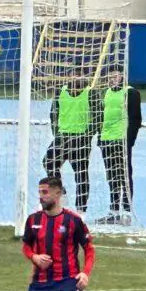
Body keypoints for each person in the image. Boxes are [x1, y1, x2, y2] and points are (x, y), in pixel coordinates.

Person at [42, 77, 99, 215]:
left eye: (79, 76)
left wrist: (87, 135)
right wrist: (57, 133)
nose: (76, 79)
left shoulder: (90, 93)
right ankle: (61, 193)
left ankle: (80, 211)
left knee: (81, 173)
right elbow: (53, 114)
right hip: (63, 138)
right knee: (48, 162)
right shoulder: (60, 92)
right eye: (73, 75)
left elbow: (98, 117)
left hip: (81, 139)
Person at [96, 70, 142, 224]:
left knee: (124, 176)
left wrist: (129, 141)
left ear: (122, 76)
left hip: (121, 140)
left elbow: (136, 120)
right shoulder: (106, 92)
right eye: (109, 76)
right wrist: (100, 137)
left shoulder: (131, 93)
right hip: (106, 140)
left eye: (115, 76)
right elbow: (102, 117)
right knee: (111, 176)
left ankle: (127, 212)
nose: (112, 79)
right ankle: (114, 212)